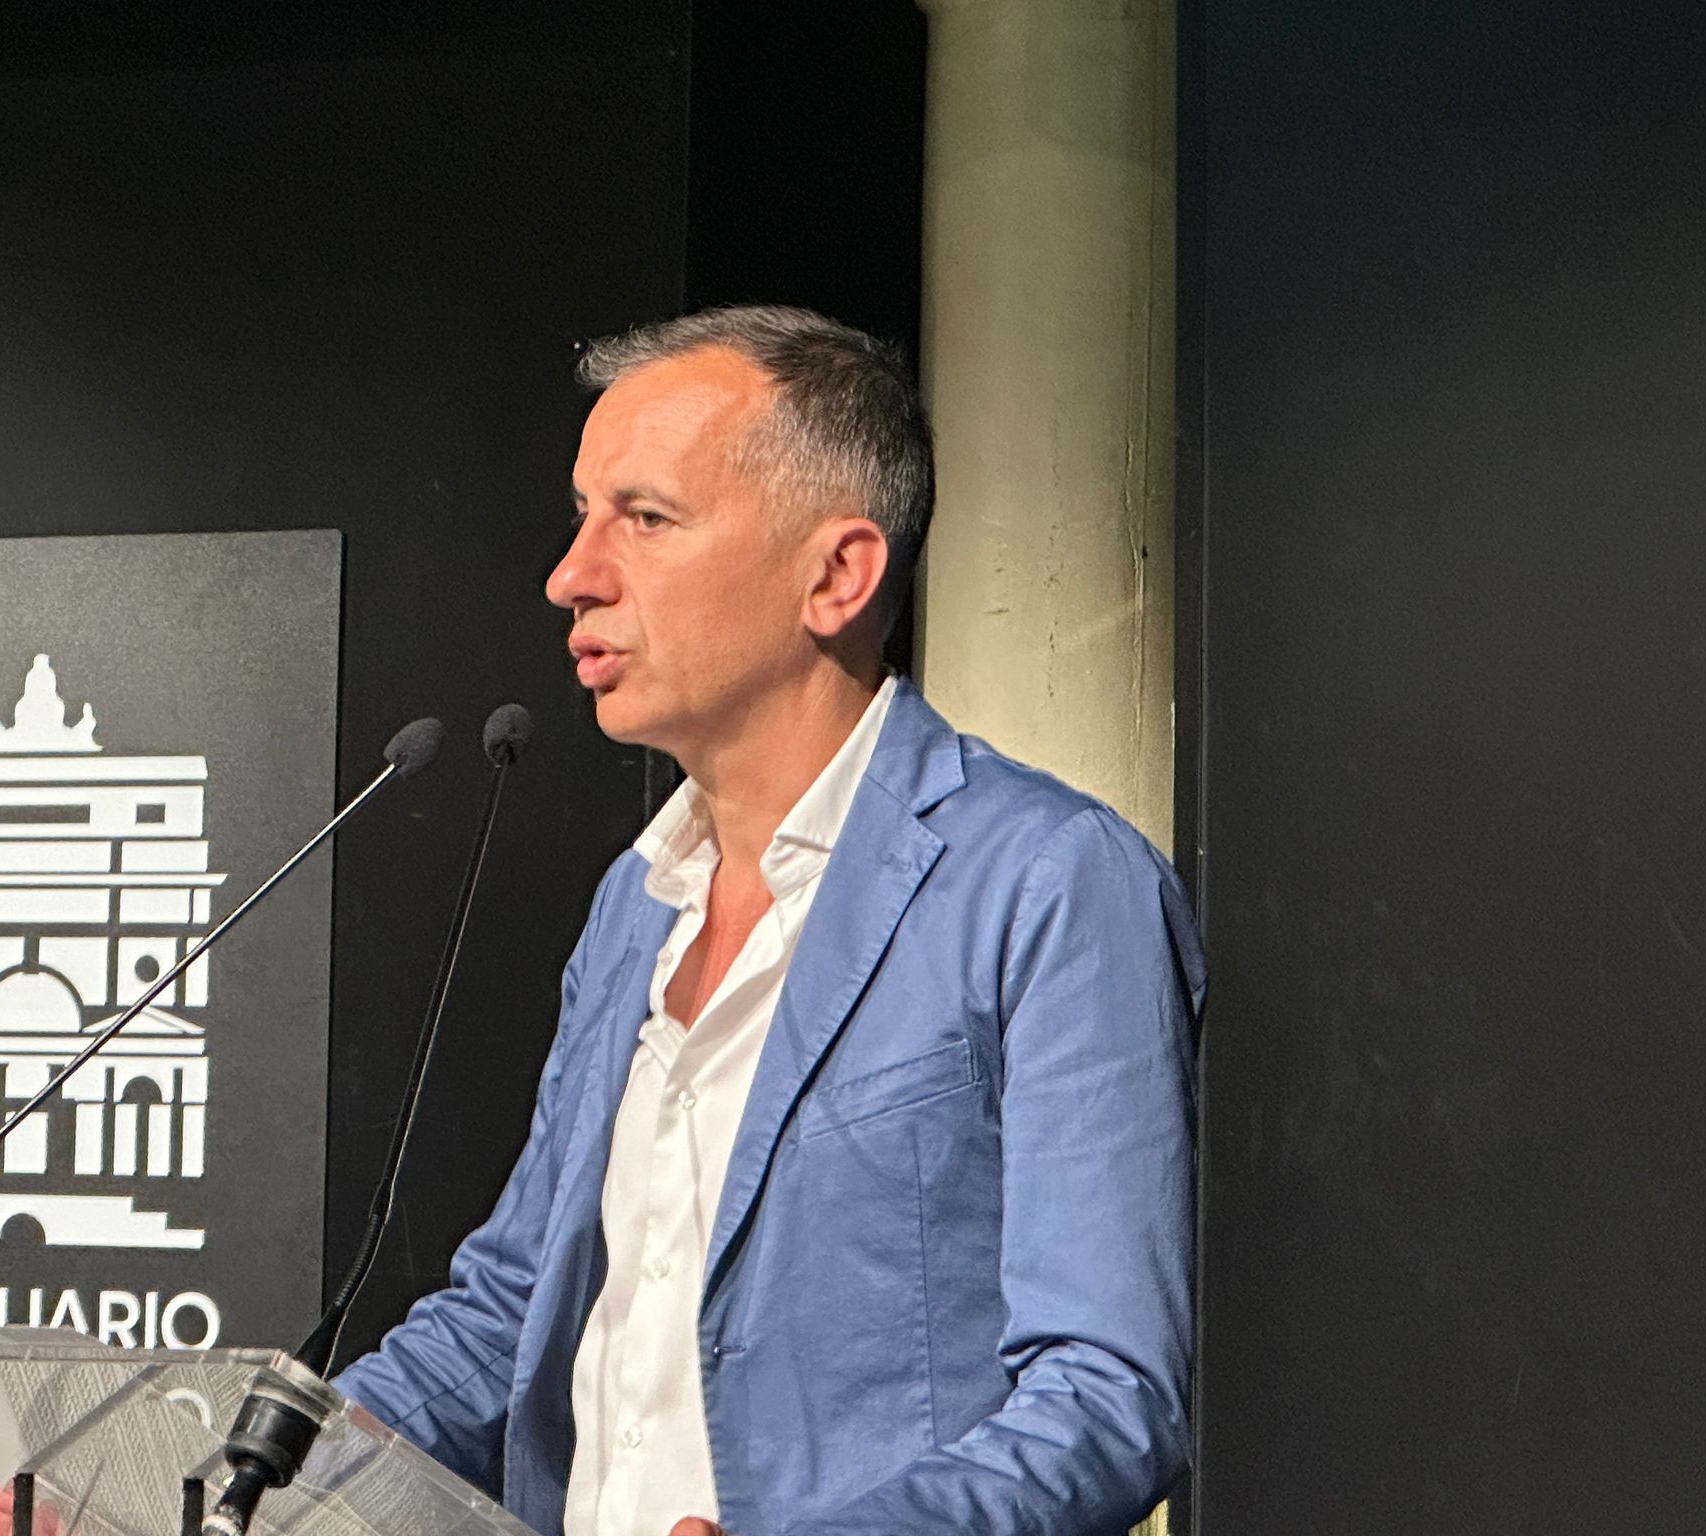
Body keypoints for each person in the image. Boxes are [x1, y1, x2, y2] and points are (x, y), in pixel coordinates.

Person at [335, 305, 1204, 1536]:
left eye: (643, 518)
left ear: (835, 574)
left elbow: (1105, 1394)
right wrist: (206, 1487)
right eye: (581, 516)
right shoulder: (635, 903)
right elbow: (507, 1317)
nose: (571, 575)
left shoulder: (1048, 881)